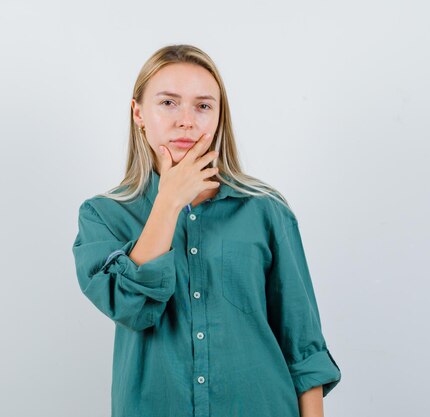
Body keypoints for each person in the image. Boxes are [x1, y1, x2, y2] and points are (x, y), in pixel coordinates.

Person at [71, 44, 341, 417]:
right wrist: (168, 202)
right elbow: (131, 308)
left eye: (203, 105)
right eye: (168, 103)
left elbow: (303, 345)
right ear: (138, 113)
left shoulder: (266, 210)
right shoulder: (103, 214)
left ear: (219, 116)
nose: (186, 120)